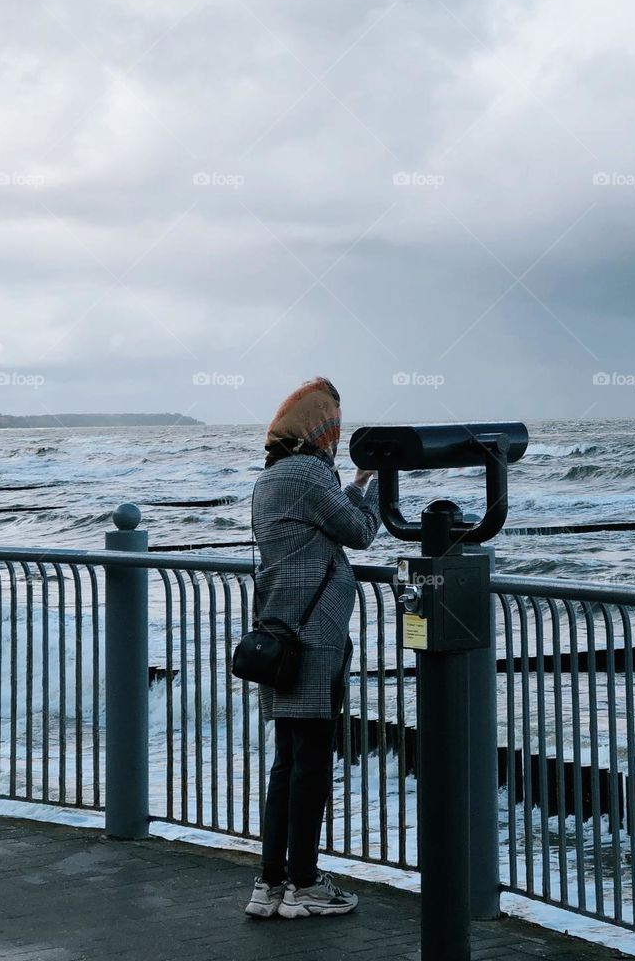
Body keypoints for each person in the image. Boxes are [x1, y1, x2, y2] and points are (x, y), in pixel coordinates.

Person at [245, 376, 379, 920]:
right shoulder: (306, 474)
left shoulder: (272, 477)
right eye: (334, 427)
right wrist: (377, 485)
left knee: (288, 763)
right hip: (314, 640)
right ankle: (304, 884)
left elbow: (320, 528)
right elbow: (360, 531)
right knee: (313, 764)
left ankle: (270, 884)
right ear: (322, 428)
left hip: (278, 633)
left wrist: (352, 481)